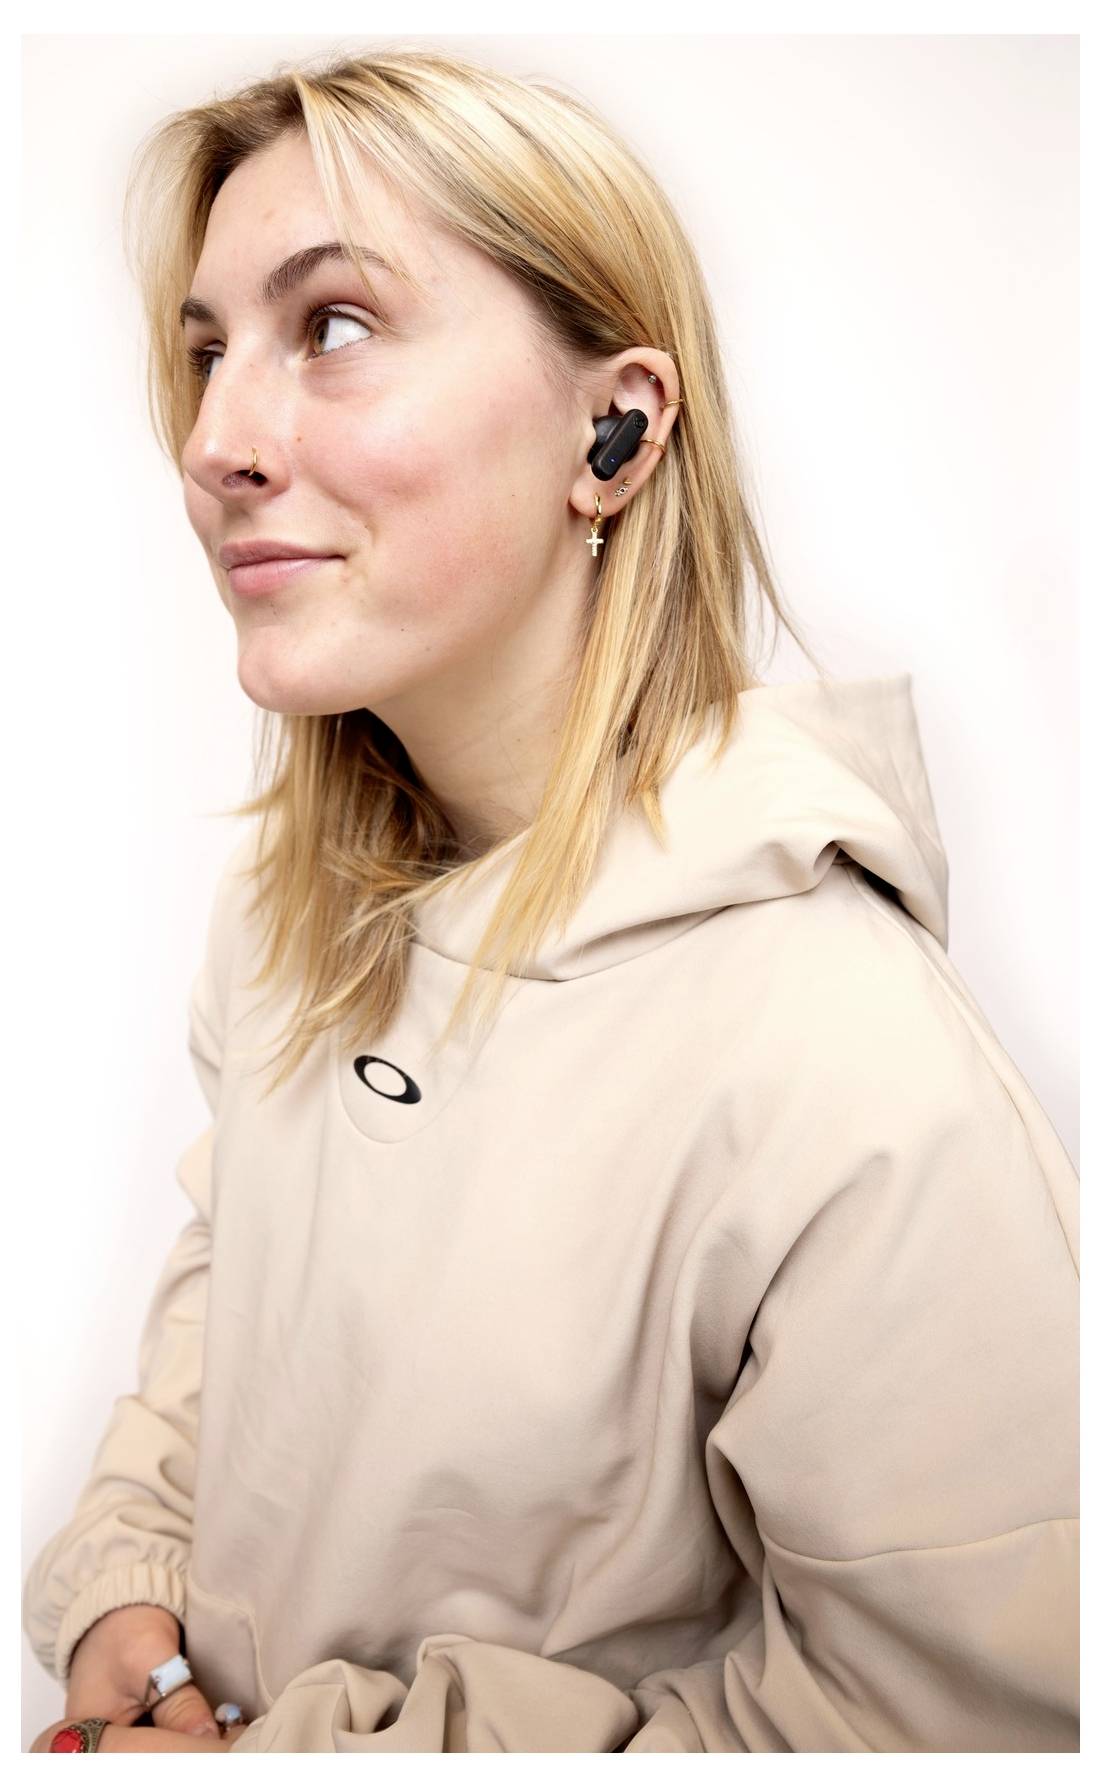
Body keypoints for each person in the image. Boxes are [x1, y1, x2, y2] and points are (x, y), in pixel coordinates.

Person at [23, 45, 1078, 1754]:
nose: (213, 442)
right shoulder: (285, 927)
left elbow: (939, 1728)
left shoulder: (846, 1062)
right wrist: (125, 1596)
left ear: (615, 431)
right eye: (209, 352)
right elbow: (244, 1291)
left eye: (332, 326)